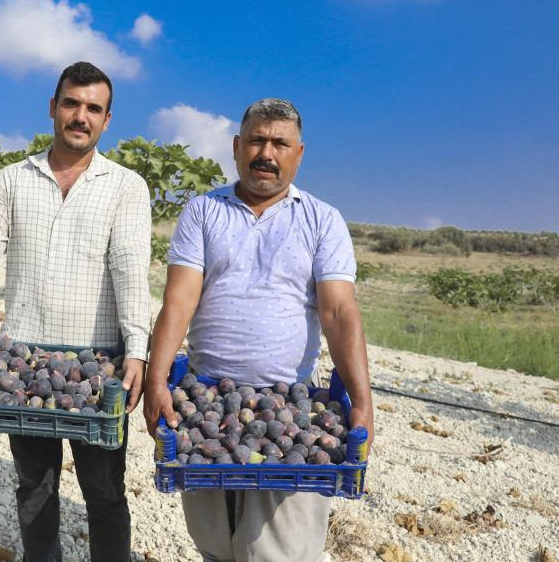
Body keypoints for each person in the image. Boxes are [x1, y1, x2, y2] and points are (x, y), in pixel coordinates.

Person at [142, 98, 374, 562]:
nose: (267, 153)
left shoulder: (321, 219)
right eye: (257, 140)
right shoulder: (203, 211)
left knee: (279, 550)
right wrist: (156, 380)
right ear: (236, 146)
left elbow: (338, 312)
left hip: (293, 403)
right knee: (214, 541)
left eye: (280, 143)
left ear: (299, 153)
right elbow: (179, 301)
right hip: (204, 397)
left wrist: (363, 402)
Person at [0, 61, 151, 562]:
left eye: (93, 109)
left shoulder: (126, 186)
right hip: (24, 365)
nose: (81, 117)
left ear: (107, 119)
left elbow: (129, 270)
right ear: (53, 108)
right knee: (34, 487)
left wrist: (136, 351)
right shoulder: (13, 179)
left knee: (104, 491)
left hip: (97, 367)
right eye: (72, 104)